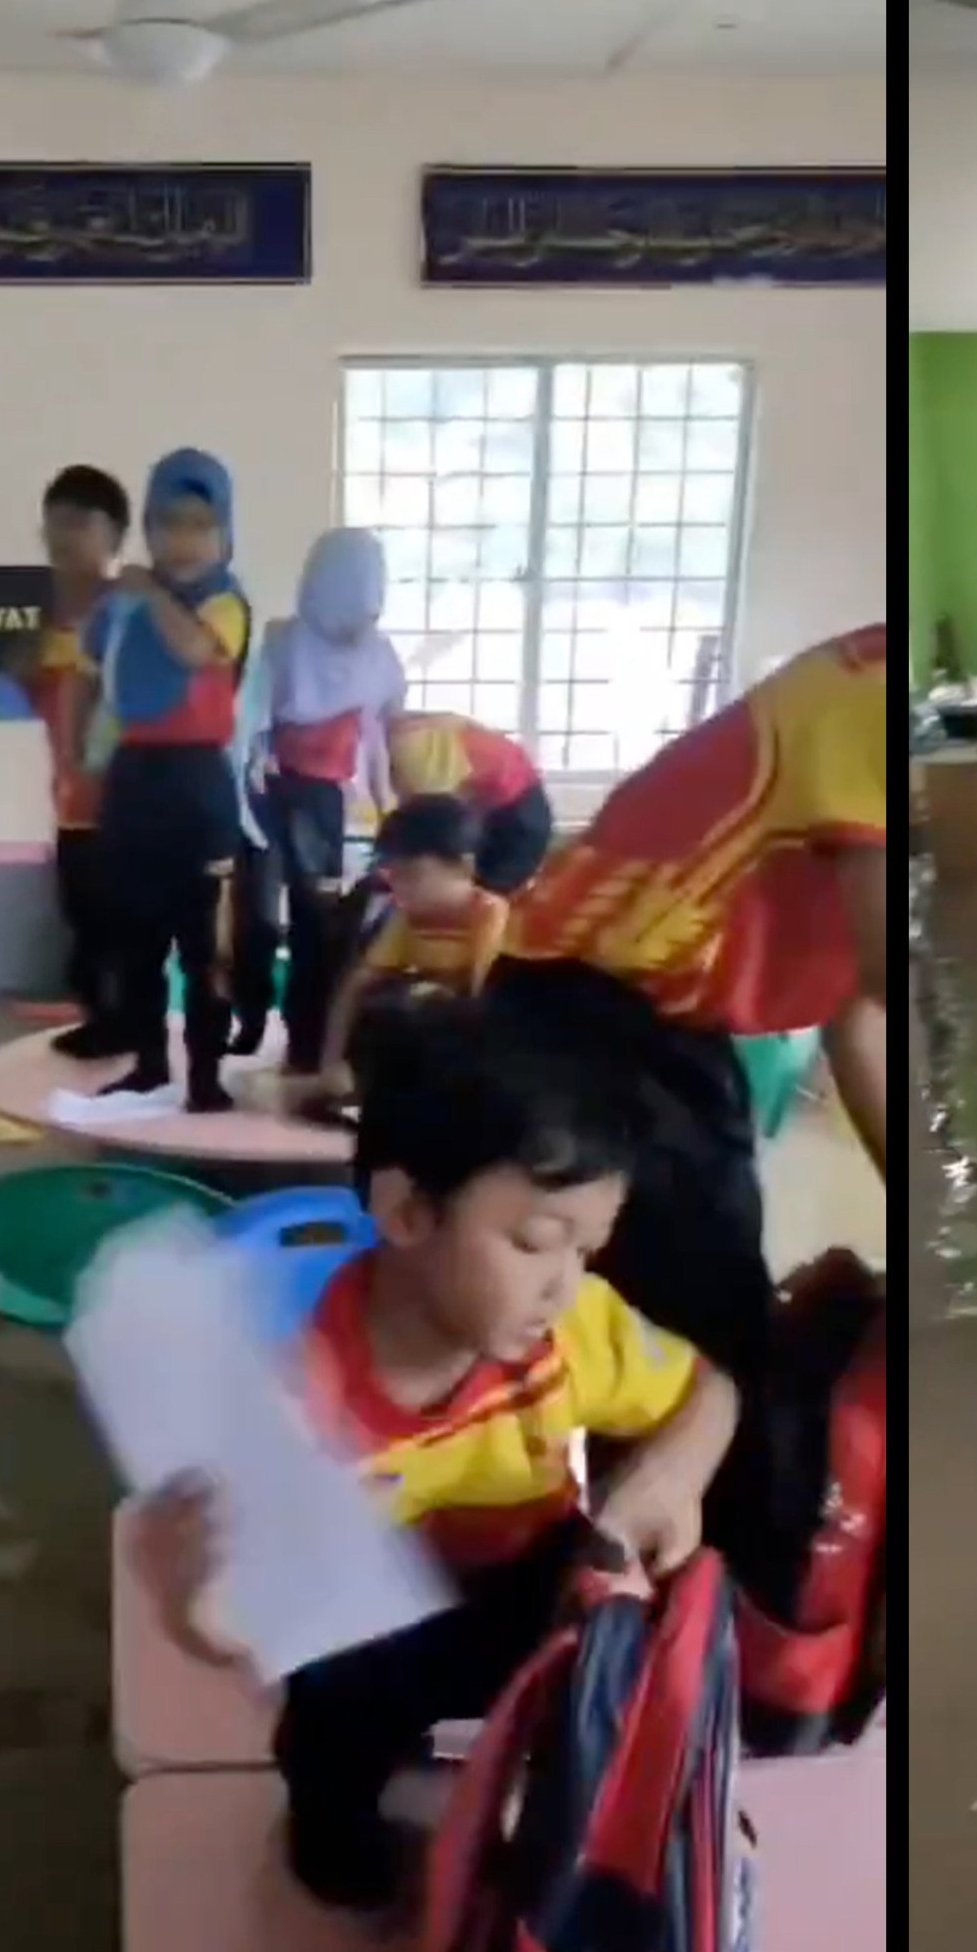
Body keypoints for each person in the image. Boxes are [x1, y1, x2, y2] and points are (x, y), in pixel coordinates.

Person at [138, 1008, 734, 1911]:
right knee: (335, 1757)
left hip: (525, 1581)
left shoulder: (574, 1331)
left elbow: (708, 1393)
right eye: (533, 1243)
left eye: (588, 1246)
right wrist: (191, 1603)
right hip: (364, 1615)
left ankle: (552, 1822)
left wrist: (667, 1478)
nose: (564, 1284)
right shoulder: (290, 1396)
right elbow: (230, 1615)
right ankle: (338, 1841)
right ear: (408, 1210)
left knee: (619, 1654)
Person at [481, 627, 895, 1539]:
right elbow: (872, 1002)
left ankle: (662, 1583)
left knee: (680, 1323)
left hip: (644, 1011)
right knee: (699, 1335)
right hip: (587, 1008)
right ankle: (698, 1615)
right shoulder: (871, 699)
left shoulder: (858, 680)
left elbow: (861, 1019)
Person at [89, 448, 257, 1109]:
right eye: (167, 524)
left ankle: (206, 1079)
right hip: (133, 778)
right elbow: (97, 667)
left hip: (197, 783)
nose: (182, 541)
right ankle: (149, 1065)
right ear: (147, 531)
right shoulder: (124, 605)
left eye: (198, 525)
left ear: (223, 534)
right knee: (136, 940)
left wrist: (148, 591)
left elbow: (192, 651)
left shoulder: (225, 601)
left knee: (201, 946)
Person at [246, 527, 404, 1075]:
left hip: (332, 801)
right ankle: (249, 1016)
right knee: (259, 920)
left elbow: (380, 735)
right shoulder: (282, 641)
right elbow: (255, 720)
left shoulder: (379, 656)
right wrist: (256, 769)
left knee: (321, 927)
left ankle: (308, 1044)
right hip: (270, 790)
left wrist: (391, 807)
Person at [307, 796, 507, 1103]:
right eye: (394, 877)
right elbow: (355, 985)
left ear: (463, 866)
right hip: (424, 1023)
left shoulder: (488, 914)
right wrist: (330, 1063)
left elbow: (484, 999)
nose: (400, 888)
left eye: (412, 875)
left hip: (471, 1036)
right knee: (381, 1003)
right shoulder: (409, 917)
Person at [30, 463, 132, 1058]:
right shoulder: (51, 620)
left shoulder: (130, 611)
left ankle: (129, 1032)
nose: (62, 536)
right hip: (70, 803)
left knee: (121, 929)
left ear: (114, 536)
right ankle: (102, 1023)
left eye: (78, 522)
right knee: (83, 923)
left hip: (123, 804)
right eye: (52, 524)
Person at [376, 705, 556, 894]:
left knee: (478, 896)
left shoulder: (416, 760)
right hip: (516, 794)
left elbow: (431, 825)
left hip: (514, 812)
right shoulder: (406, 729)